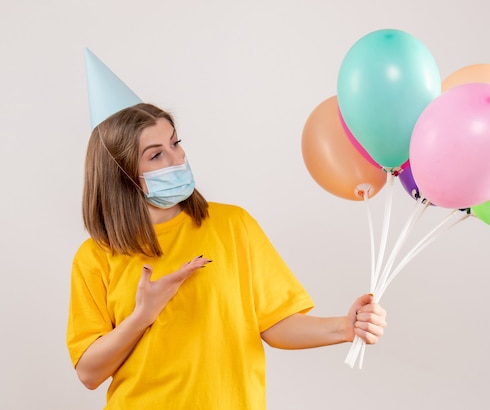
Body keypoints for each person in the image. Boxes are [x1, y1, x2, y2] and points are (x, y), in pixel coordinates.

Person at [66, 102, 387, 409]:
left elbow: (273, 325)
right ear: (120, 174)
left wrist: (346, 328)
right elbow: (89, 373)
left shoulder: (234, 226)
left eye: (175, 143)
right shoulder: (95, 256)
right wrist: (142, 316)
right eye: (156, 155)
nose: (177, 158)